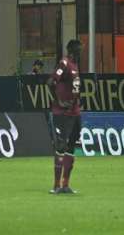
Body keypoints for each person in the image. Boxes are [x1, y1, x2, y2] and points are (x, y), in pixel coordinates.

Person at [49, 39, 83, 195]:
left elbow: (74, 88)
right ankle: (56, 185)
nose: (80, 53)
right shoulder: (64, 63)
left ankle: (66, 185)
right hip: (62, 113)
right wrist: (59, 102)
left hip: (75, 112)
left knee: (71, 147)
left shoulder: (75, 66)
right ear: (71, 51)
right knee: (61, 146)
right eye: (78, 50)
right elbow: (51, 82)